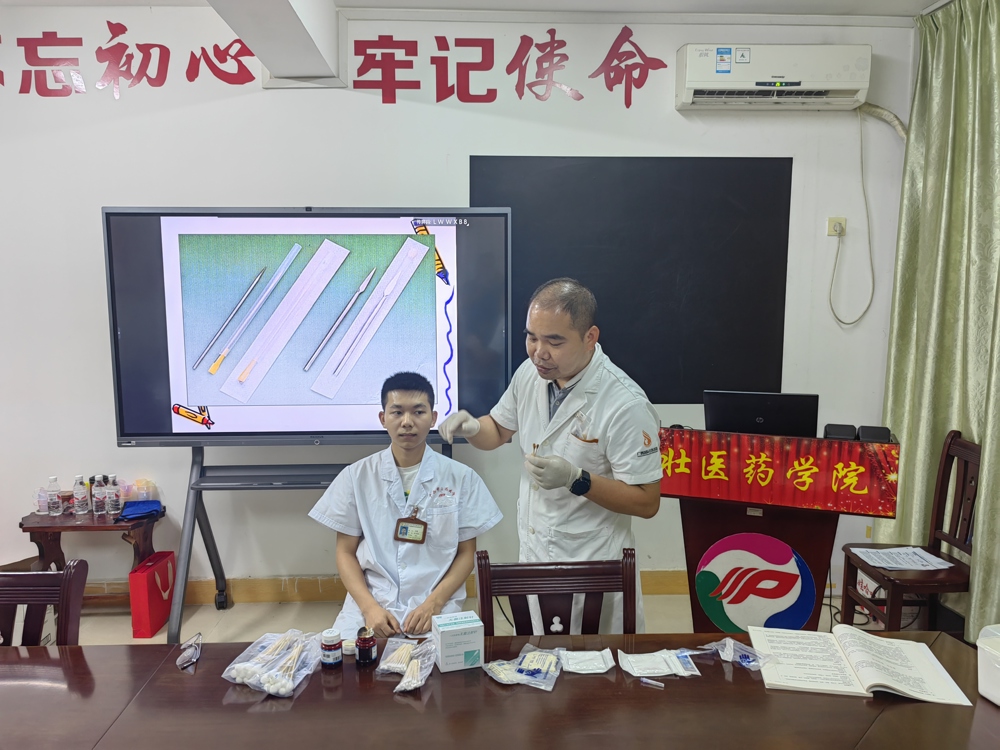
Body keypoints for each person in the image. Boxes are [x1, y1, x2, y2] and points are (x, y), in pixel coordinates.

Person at [438, 278, 661, 633]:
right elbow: (499, 430)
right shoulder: (530, 374)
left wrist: (577, 479)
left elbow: (647, 501)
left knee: (595, 658)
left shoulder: (625, 404)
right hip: (536, 552)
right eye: (531, 337)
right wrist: (473, 427)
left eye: (554, 341)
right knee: (538, 655)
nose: (539, 352)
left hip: (592, 561)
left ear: (590, 337)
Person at [309, 371, 502, 637]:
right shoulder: (356, 476)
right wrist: (369, 608)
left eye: (418, 412)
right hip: (372, 598)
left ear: (433, 418)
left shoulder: (461, 477)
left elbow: (466, 553)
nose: (407, 422)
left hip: (436, 600)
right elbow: (345, 552)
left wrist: (434, 603)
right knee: (348, 657)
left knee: (443, 659)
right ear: (383, 418)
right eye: (397, 412)